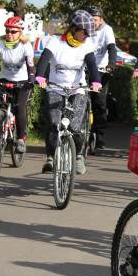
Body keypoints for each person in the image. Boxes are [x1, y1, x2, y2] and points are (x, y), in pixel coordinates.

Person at [34, 10, 101, 176]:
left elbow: (92, 65)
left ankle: (78, 155)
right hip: (56, 88)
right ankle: (50, 158)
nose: (86, 36)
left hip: (77, 89)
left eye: (89, 33)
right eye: (84, 32)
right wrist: (40, 76)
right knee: (54, 123)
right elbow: (44, 59)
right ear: (73, 28)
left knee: (75, 127)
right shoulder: (56, 41)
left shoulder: (86, 45)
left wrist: (96, 81)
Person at [0, 15, 34, 152]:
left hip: (22, 81)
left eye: (13, 31)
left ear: (20, 32)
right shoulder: (0, 44)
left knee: (20, 107)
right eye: (7, 31)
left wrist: (31, 80)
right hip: (5, 80)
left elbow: (30, 65)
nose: (9, 34)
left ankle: (21, 138)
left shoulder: (25, 45)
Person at [87, 5, 117, 149]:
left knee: (99, 103)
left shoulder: (107, 30)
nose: (93, 23)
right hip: (84, 69)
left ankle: (99, 136)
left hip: (100, 70)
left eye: (95, 20)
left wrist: (111, 64)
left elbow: (112, 48)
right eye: (90, 20)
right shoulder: (84, 29)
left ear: (101, 20)